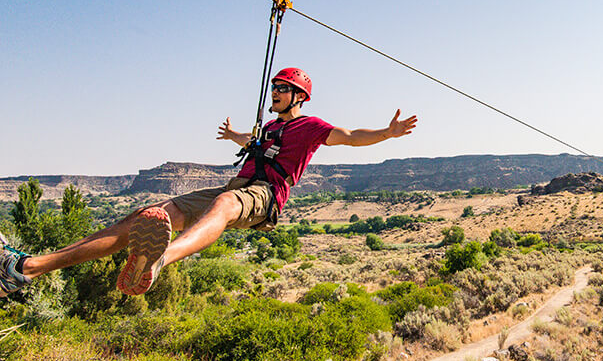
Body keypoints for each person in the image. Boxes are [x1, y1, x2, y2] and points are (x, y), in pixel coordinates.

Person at [0, 67, 417, 297]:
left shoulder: (310, 126)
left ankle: (158, 260)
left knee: (224, 206)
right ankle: (28, 267)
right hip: (234, 186)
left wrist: (386, 132)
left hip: (263, 197)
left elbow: (349, 137)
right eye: (274, 88)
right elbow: (252, 143)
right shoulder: (269, 127)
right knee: (147, 215)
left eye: (282, 89)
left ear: (299, 97)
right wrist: (236, 136)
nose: (275, 93)